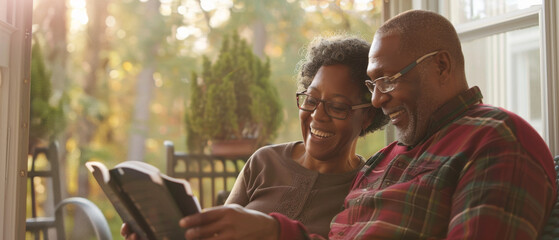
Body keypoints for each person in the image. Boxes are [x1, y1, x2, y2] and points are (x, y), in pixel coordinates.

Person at [178, 10, 557, 240]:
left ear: (441, 66)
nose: (377, 100)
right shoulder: (386, 160)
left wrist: (275, 233)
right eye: (374, 85)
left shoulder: (493, 139)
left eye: (388, 81)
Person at [121, 35, 388, 239]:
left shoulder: (365, 190)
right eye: (312, 100)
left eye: (338, 106)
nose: (318, 115)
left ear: (367, 116)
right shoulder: (265, 161)